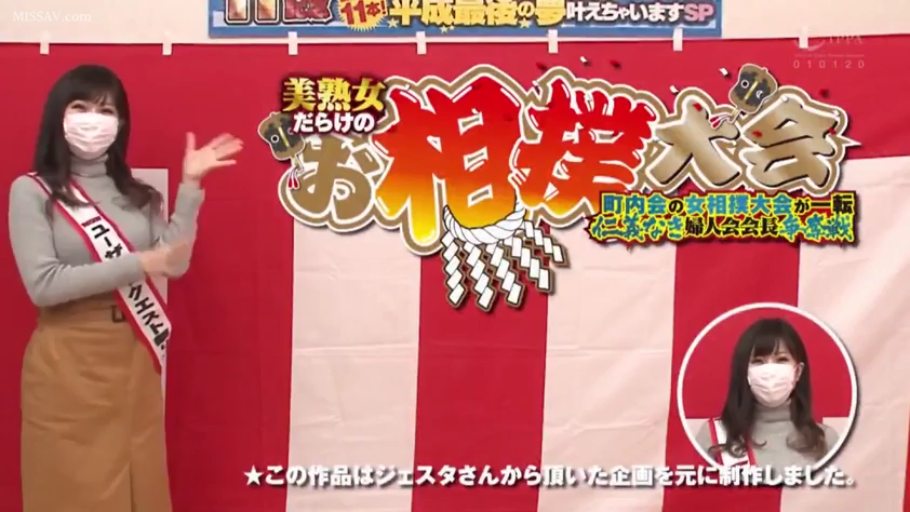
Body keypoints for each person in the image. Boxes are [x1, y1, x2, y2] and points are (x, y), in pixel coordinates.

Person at [8, 64, 242, 512]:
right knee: (72, 489)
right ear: (59, 115)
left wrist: (191, 187)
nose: (93, 120)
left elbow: (174, 263)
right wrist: (139, 263)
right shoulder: (32, 191)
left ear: (120, 123)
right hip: (67, 361)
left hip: (135, 356)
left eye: (106, 110)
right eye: (81, 107)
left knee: (140, 487)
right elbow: (43, 285)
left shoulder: (137, 195)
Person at [694, 317, 840, 472]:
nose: (770, 371)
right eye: (758, 361)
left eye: (781, 359)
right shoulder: (714, 437)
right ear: (745, 372)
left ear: (798, 371)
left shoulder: (825, 440)